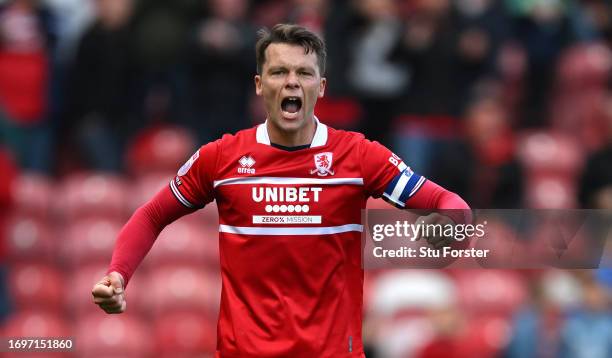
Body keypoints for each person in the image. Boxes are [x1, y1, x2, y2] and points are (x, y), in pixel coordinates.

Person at [91, 24, 470, 357]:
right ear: (260, 84)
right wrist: (118, 275)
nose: (291, 81)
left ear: (320, 88)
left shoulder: (358, 157)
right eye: (279, 71)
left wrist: (453, 224)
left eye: (304, 73)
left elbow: (445, 201)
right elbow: (152, 215)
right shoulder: (221, 158)